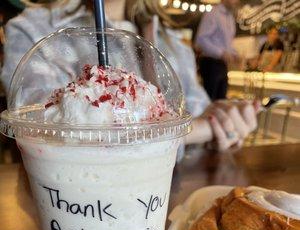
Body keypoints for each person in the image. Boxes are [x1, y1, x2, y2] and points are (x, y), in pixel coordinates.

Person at [1, 0, 259, 152]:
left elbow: (204, 118)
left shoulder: (173, 44)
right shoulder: (34, 28)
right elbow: (39, 126)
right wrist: (198, 130)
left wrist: (227, 122)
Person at [194, 0, 240, 101]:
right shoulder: (213, 14)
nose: (237, 1)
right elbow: (201, 39)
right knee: (209, 102)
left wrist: (234, 54)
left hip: (222, 65)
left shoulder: (230, 17)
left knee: (221, 101)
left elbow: (227, 44)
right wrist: (221, 53)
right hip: (211, 64)